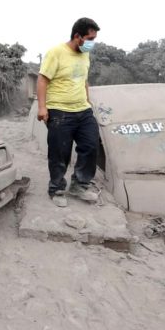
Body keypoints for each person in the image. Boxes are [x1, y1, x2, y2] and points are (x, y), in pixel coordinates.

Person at [37, 17, 101, 207]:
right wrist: (42, 107)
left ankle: (80, 185)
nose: (92, 43)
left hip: (83, 110)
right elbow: (42, 80)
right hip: (59, 111)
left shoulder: (84, 55)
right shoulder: (56, 52)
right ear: (77, 36)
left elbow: (83, 80)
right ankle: (57, 188)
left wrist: (88, 102)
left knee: (91, 146)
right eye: (90, 39)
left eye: (94, 39)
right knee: (59, 152)